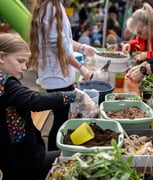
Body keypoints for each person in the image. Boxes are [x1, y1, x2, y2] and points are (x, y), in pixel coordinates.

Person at [0, 33, 95, 180]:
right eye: (20, 61)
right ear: (2, 57)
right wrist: (74, 95)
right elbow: (34, 100)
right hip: (24, 162)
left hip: (13, 159)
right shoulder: (5, 85)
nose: (24, 67)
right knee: (76, 161)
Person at [29, 0, 97, 151]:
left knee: (61, 117)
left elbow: (63, 39)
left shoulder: (53, 5)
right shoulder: (50, 8)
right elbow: (59, 47)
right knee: (60, 120)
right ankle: (54, 155)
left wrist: (83, 47)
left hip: (57, 76)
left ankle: (56, 153)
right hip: (56, 78)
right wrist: (83, 69)